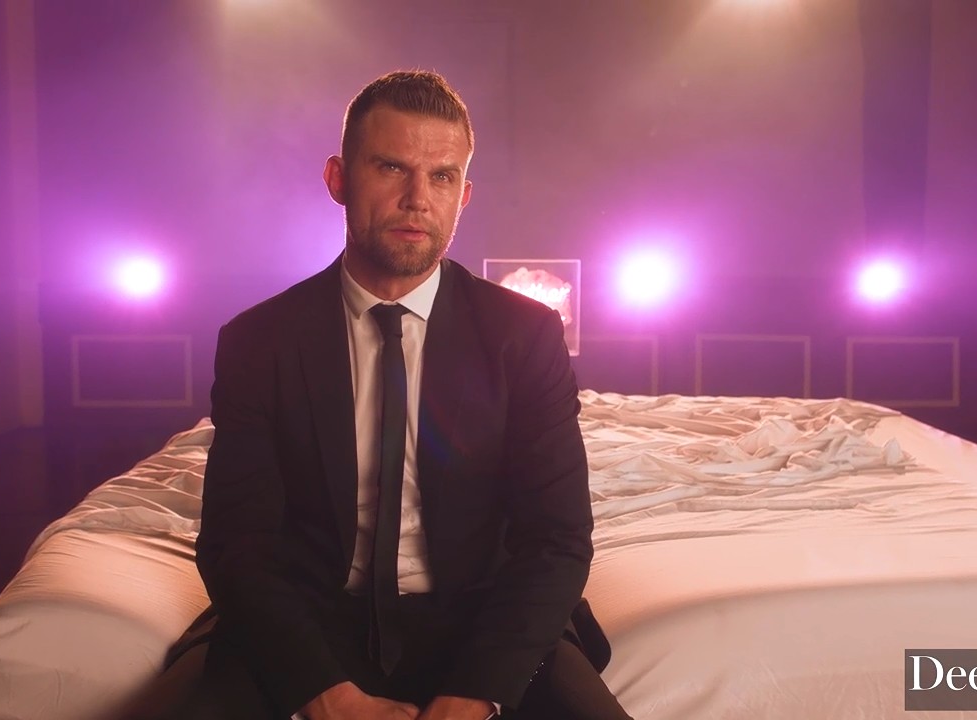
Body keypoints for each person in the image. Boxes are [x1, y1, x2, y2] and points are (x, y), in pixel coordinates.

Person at [169, 70, 632, 720]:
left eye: (441, 176)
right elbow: (237, 543)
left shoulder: (523, 335)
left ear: (463, 196)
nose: (418, 199)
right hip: (309, 623)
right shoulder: (259, 340)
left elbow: (557, 538)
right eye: (391, 167)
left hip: (486, 623)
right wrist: (324, 696)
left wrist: (477, 694)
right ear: (338, 178)